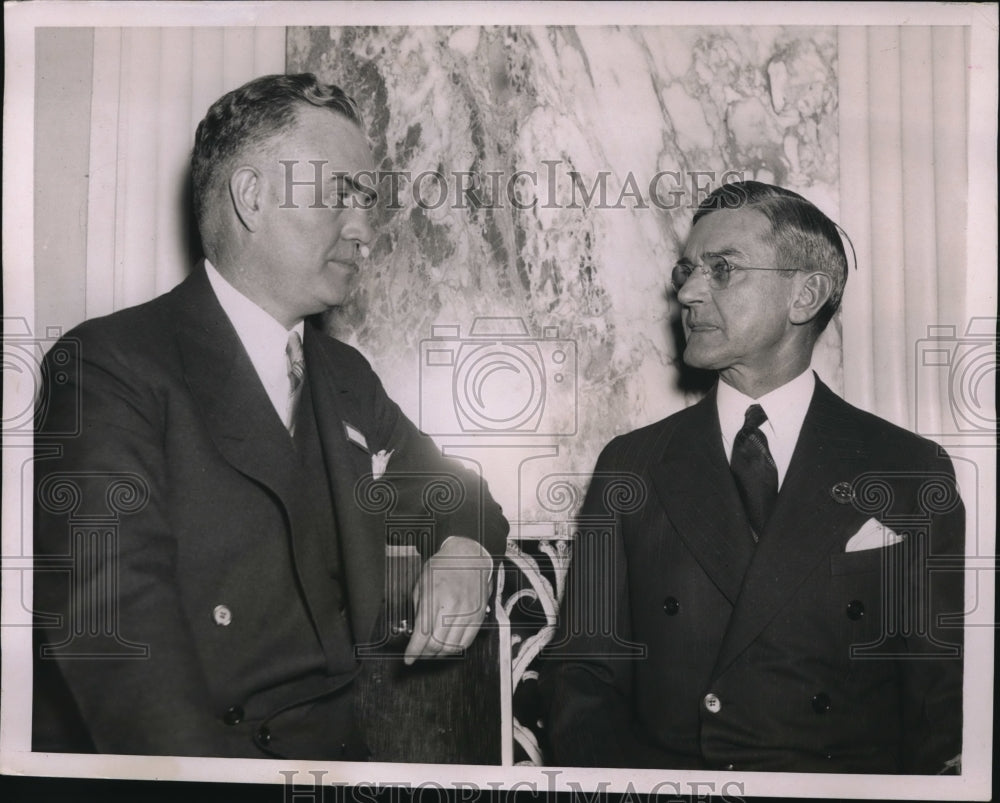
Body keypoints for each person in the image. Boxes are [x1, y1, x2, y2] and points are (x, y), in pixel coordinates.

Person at [32, 73, 509, 760]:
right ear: (251, 197)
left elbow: (462, 497)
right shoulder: (111, 365)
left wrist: (467, 551)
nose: (365, 226)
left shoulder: (345, 379)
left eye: (367, 199)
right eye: (340, 192)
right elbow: (117, 637)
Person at [541, 181, 964, 774]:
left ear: (805, 295)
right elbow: (585, 679)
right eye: (686, 271)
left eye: (722, 270)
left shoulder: (910, 470)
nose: (687, 293)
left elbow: (940, 698)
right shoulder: (631, 465)